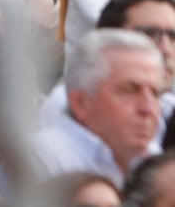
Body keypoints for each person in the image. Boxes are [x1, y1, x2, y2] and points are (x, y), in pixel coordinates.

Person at [30, 29, 167, 182]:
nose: (148, 109)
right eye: (130, 90)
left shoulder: (153, 158)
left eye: (155, 94)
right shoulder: (40, 160)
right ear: (81, 103)